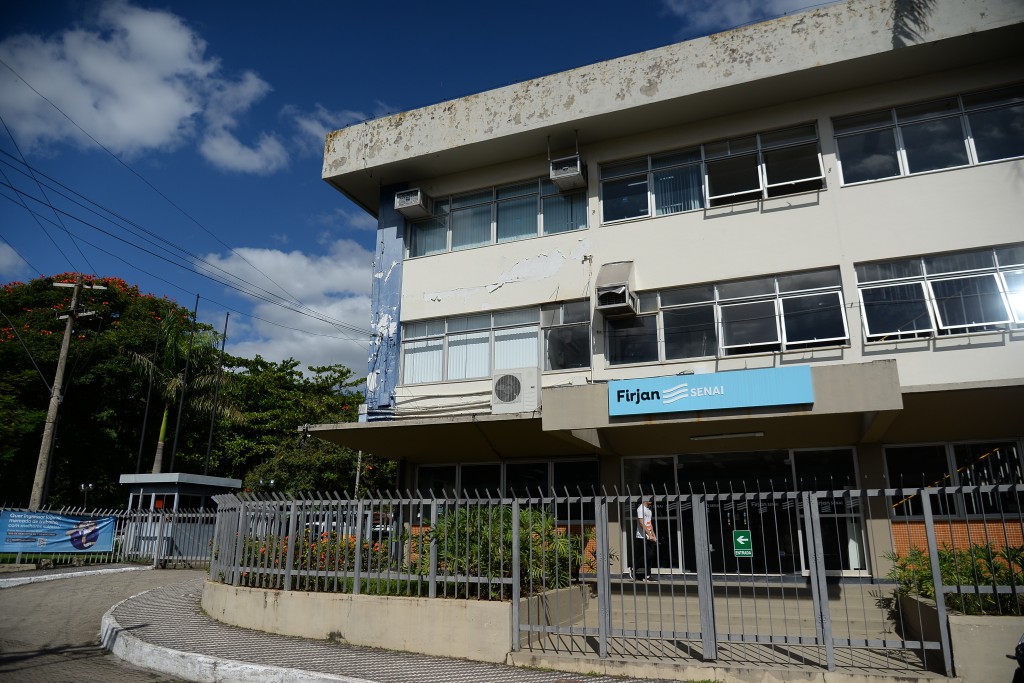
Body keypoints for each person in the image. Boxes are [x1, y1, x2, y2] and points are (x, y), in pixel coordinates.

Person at [633, 498, 658, 581]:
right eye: (650, 498)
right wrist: (649, 534)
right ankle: (634, 567)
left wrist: (653, 535)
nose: (652, 500)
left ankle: (647, 576)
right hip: (642, 536)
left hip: (649, 536)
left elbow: (649, 523)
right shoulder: (640, 509)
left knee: (650, 556)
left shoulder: (649, 509)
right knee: (648, 554)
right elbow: (641, 523)